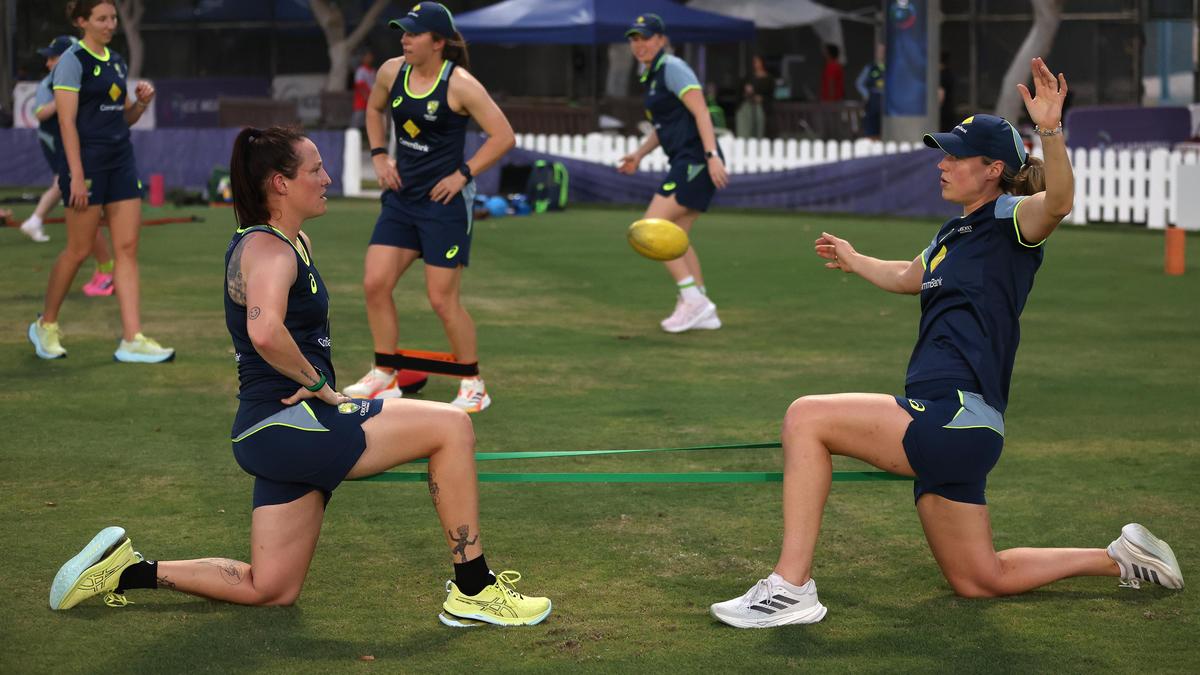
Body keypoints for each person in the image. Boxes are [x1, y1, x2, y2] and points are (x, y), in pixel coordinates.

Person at [710, 59, 1184, 629]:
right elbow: (911, 275)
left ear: (993, 170)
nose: (944, 164)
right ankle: (1120, 559)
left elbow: (1057, 202)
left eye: (956, 156)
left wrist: (1051, 132)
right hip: (962, 427)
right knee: (979, 579)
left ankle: (790, 589)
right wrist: (856, 260)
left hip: (952, 415)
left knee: (806, 417)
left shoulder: (1013, 219)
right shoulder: (952, 236)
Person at [48, 126, 552, 628]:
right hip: (286, 423)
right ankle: (474, 589)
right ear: (280, 183)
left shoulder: (293, 241)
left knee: (271, 589)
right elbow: (264, 331)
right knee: (451, 427)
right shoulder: (271, 251)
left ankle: (124, 572)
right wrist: (321, 386)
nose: (328, 178)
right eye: (315, 169)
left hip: (275, 429)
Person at [343, 2, 513, 412]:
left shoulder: (460, 84)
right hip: (402, 201)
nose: (405, 38)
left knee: (441, 300)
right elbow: (375, 108)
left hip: (445, 205)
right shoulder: (390, 71)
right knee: (374, 283)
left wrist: (463, 175)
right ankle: (385, 375)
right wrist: (380, 155)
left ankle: (473, 384)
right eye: (403, 31)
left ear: (438, 43)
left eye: (414, 33)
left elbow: (503, 135)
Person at [28, 0, 173, 362]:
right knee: (78, 251)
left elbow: (120, 119)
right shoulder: (72, 63)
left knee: (126, 251)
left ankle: (131, 339)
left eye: (112, 18)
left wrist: (139, 105)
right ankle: (45, 325)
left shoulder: (117, 61)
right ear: (82, 21)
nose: (110, 24)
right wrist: (75, 175)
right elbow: (65, 124)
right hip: (86, 165)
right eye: (101, 18)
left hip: (121, 161)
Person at [618, 14, 729, 333]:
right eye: (634, 39)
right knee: (678, 237)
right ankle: (703, 307)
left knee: (651, 229)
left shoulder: (672, 68)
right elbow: (662, 127)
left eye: (646, 38)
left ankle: (693, 300)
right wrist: (638, 155)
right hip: (684, 159)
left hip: (695, 159)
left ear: (661, 39)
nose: (639, 45)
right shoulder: (650, 75)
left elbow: (701, 111)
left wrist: (710, 156)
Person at [20, 33, 116, 297]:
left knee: (86, 217)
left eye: (54, 57)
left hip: (88, 154)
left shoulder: (85, 76)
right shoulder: (68, 80)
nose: (49, 63)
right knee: (88, 216)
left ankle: (107, 274)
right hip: (86, 153)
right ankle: (106, 272)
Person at [735, 54, 772, 138]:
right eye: (754, 62)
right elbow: (740, 91)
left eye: (757, 62)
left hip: (760, 108)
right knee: (745, 130)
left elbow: (770, 95)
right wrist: (747, 92)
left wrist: (761, 98)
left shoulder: (769, 79)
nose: (755, 64)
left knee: (758, 131)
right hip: (747, 107)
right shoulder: (749, 77)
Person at [855, 44, 885, 139]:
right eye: (880, 51)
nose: (882, 54)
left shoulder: (893, 66)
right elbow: (859, 83)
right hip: (874, 98)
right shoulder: (870, 67)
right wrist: (867, 95)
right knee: (872, 125)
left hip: (888, 100)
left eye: (884, 51)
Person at [350, 49, 376, 131]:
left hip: (372, 103)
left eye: (371, 56)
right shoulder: (361, 71)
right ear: (363, 58)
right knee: (355, 125)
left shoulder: (373, 71)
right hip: (361, 103)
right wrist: (367, 98)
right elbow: (360, 86)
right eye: (367, 56)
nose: (370, 58)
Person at [938, 50, 955, 132]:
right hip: (949, 109)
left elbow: (941, 95)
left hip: (943, 113)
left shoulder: (941, 76)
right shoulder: (950, 74)